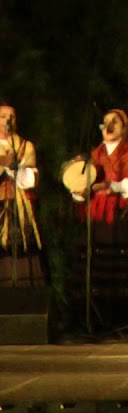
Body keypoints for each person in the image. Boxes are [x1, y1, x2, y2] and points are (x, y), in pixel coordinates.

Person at [70, 108, 128, 330]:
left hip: (117, 217)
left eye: (115, 122)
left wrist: (110, 185)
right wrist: (78, 189)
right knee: (94, 262)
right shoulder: (92, 156)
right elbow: (79, 184)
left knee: (117, 265)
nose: (109, 126)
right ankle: (94, 318)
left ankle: (121, 319)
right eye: (106, 122)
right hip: (96, 216)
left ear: (124, 128)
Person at [0, 102, 43, 287]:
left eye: (12, 116)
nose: (8, 120)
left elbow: (32, 179)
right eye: (2, 116)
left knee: (19, 249)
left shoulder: (25, 146)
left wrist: (13, 168)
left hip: (19, 209)